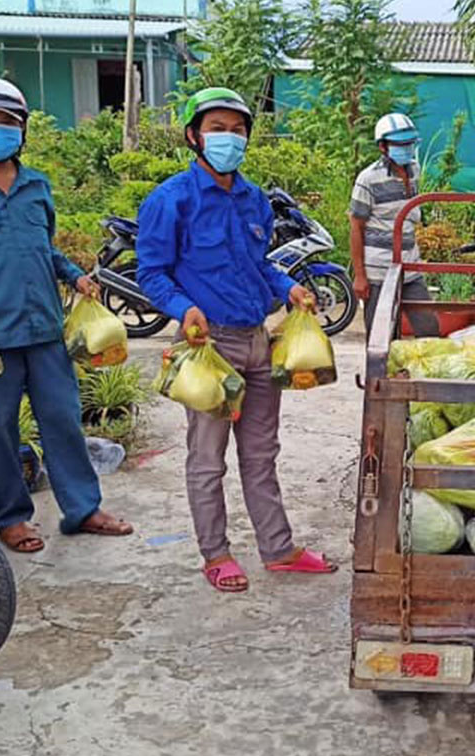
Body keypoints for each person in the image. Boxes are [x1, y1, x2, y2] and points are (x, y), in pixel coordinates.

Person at [135, 87, 336, 593]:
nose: (229, 138)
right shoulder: (170, 200)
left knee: (261, 453)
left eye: (238, 129)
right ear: (193, 136)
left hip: (257, 340)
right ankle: (216, 553)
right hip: (207, 347)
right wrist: (184, 309)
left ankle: (278, 548)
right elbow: (151, 272)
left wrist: (287, 286)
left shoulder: (253, 199)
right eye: (217, 128)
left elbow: (257, 264)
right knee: (207, 458)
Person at [0, 77, 134, 553]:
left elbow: (46, 250)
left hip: (43, 327)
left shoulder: (37, 186)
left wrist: (76, 275)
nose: (0, 130)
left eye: (9, 122)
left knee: (63, 419)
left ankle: (83, 509)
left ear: (22, 130)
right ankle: (12, 518)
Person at [349, 113, 440, 338]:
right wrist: (360, 275)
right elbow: (356, 227)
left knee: (429, 328)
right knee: (380, 336)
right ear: (383, 147)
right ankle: (382, 374)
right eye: (400, 145)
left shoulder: (415, 171)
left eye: (409, 144)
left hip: (410, 268)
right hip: (378, 271)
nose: (406, 150)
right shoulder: (368, 179)